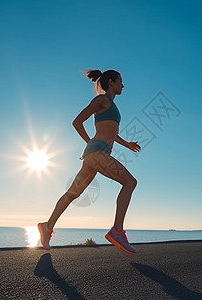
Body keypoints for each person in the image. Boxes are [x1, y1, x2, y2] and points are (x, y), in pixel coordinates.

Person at [38, 69, 141, 255]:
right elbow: (77, 121)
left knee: (73, 193)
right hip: (96, 152)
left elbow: (112, 132)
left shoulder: (111, 105)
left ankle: (47, 226)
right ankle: (117, 231)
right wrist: (91, 143)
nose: (123, 85)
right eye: (120, 81)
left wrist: (126, 144)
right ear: (111, 82)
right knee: (130, 182)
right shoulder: (101, 100)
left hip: (93, 155)